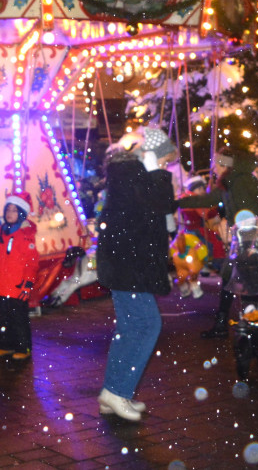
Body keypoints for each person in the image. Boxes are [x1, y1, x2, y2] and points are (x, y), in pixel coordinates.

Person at [95, 127, 176, 422]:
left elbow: (156, 211)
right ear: (150, 154)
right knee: (147, 325)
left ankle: (113, 393)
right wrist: (156, 171)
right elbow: (162, 202)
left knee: (130, 327)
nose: (165, 166)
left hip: (126, 265)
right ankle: (117, 392)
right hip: (131, 266)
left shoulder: (126, 174)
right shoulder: (134, 174)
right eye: (164, 159)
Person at [177, 147, 258, 338]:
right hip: (241, 240)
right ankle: (227, 324)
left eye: (216, 163)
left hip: (252, 240)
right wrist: (178, 202)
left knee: (244, 281)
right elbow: (207, 199)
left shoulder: (244, 181)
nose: (213, 167)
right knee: (230, 279)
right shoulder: (227, 184)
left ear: (225, 165)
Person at [0, 189, 38, 360]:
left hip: (17, 286)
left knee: (18, 318)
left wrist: (28, 283)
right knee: (2, 318)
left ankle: (23, 347)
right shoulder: (1, 232)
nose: (9, 213)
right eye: (8, 210)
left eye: (14, 210)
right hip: (1, 285)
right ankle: (5, 345)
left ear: (21, 213)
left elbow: (31, 262)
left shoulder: (25, 235)